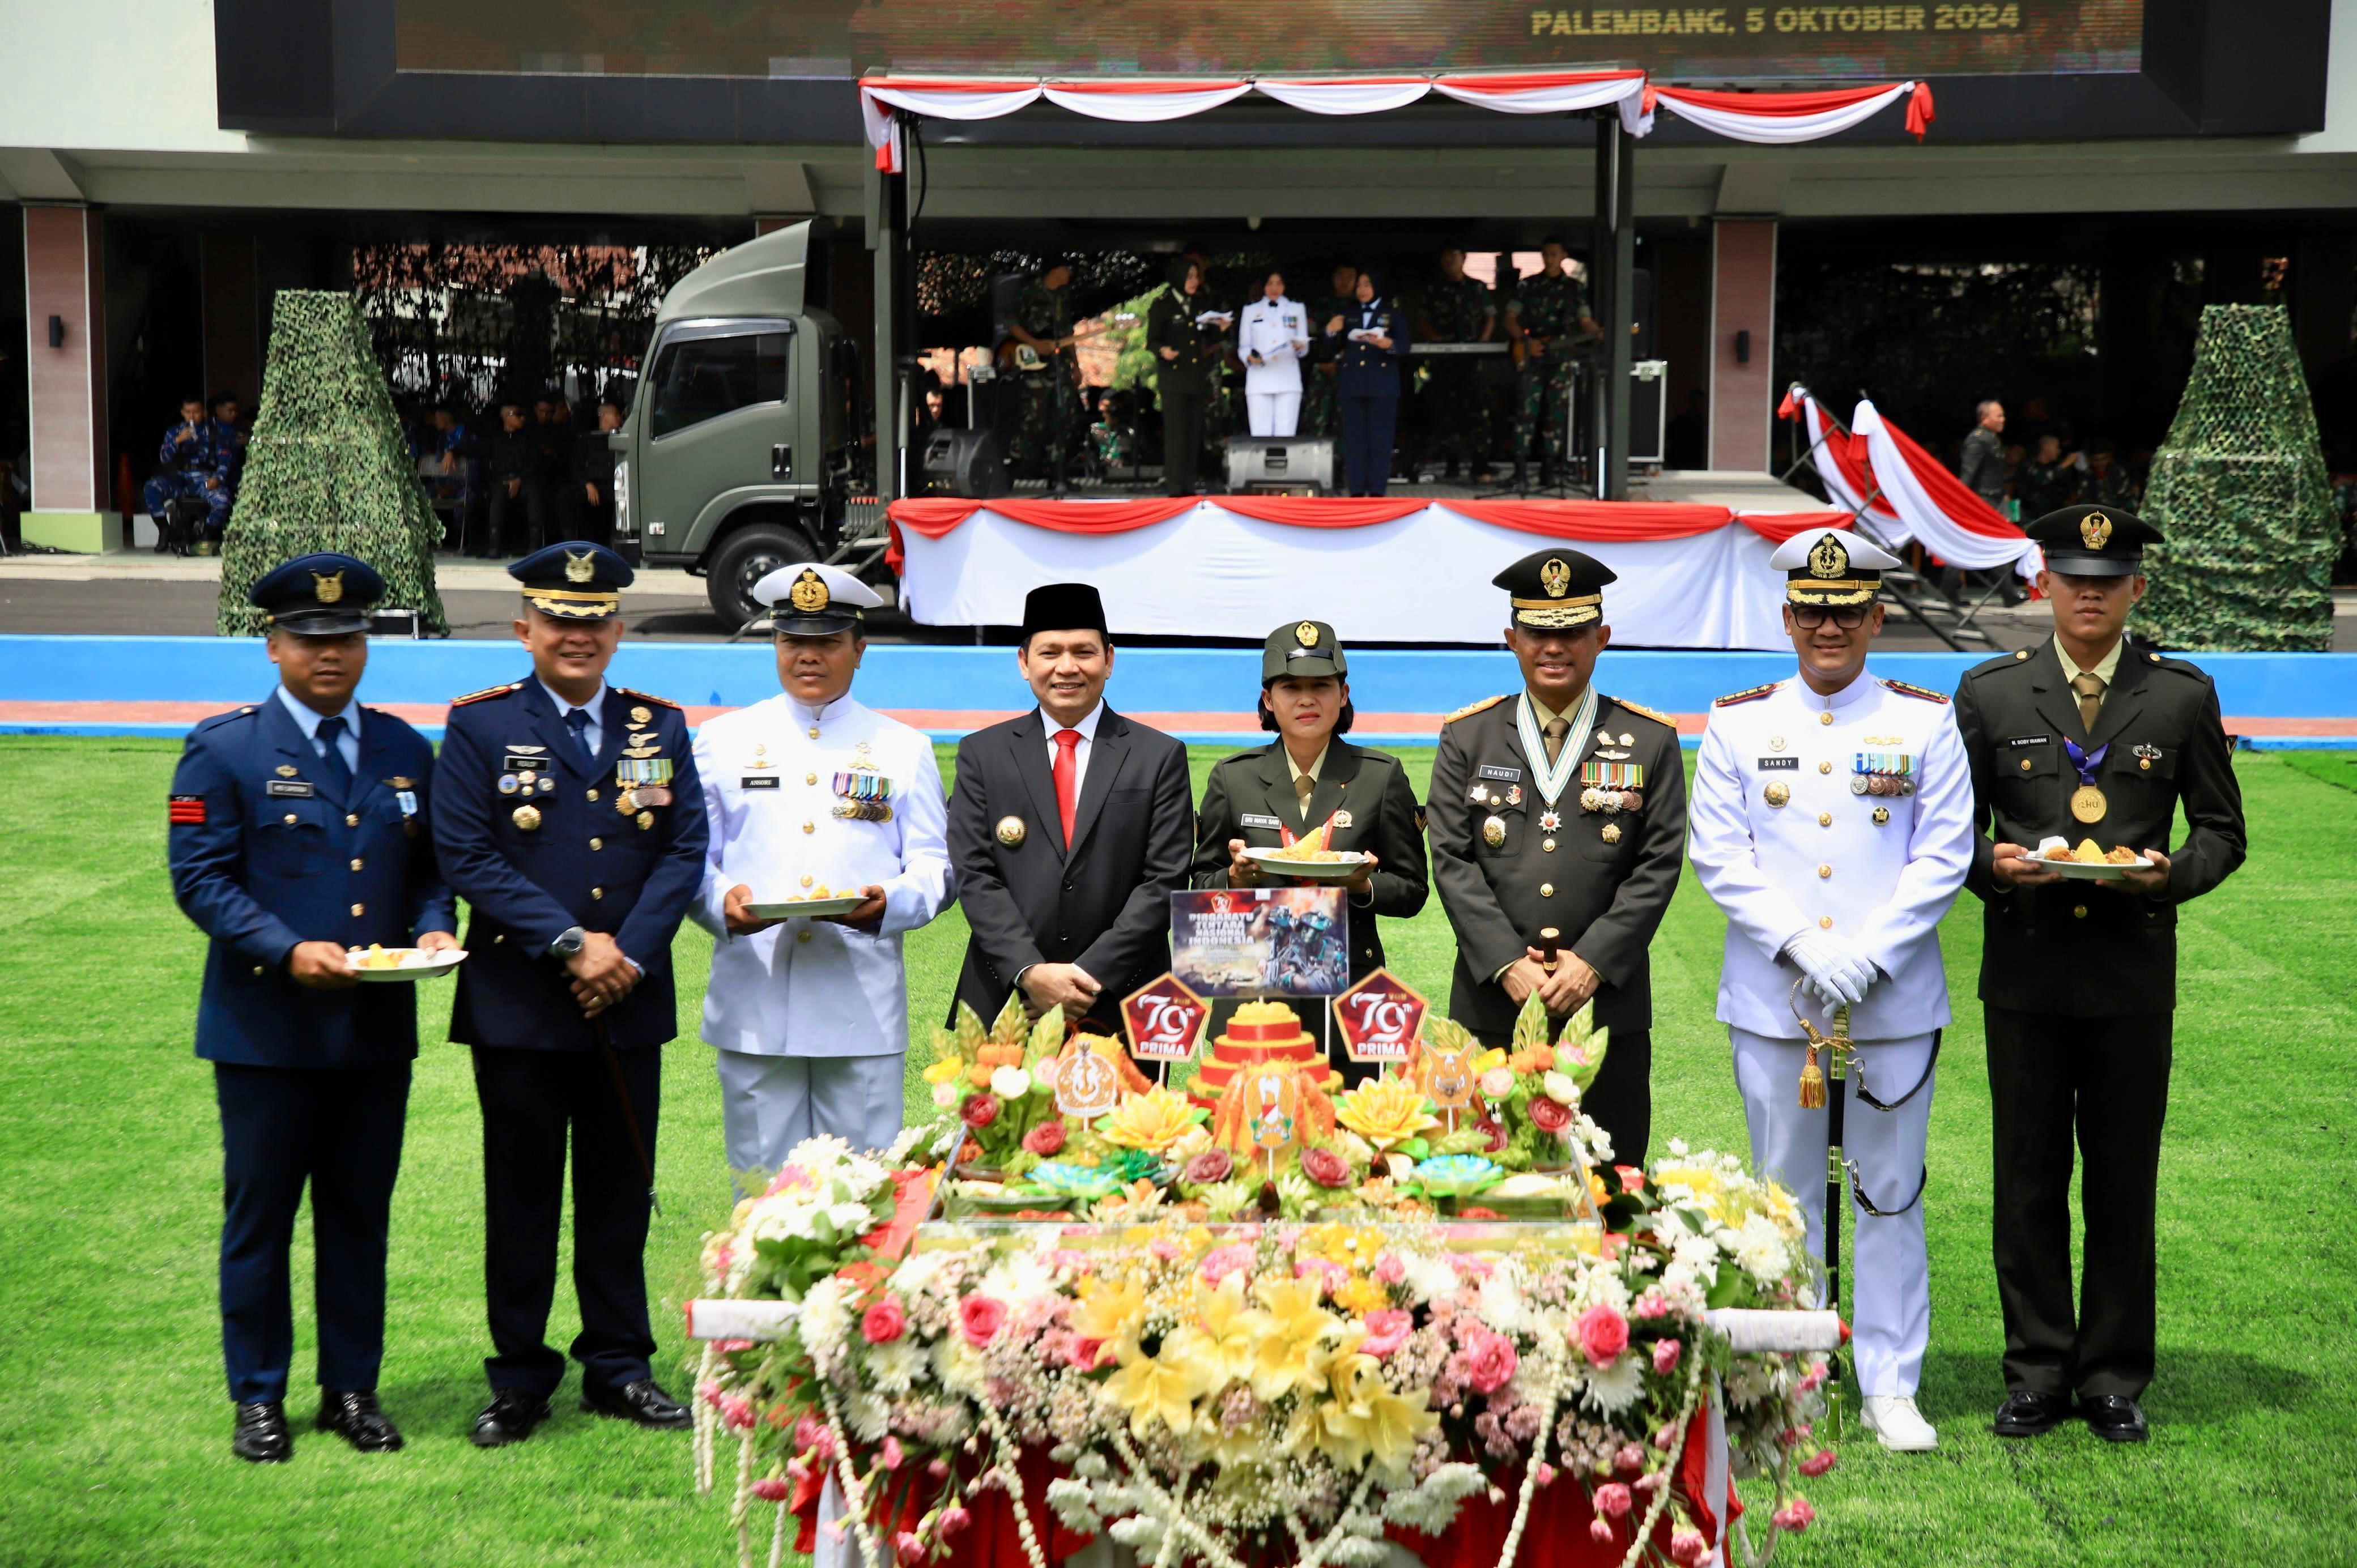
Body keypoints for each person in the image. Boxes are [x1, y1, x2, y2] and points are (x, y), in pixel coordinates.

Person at [1953, 504, 2247, 1446]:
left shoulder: (2179, 695)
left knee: (2123, 1180)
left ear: (2136, 590)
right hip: (2028, 972)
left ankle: (2114, 1374)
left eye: (2107, 580)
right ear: (2045, 584)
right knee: (2028, 1177)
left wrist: (2174, 875)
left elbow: (2221, 830)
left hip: (2130, 975)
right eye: (2073, 577)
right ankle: (2037, 1369)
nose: (2088, 593)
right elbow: (1949, 834)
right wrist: (1990, 866)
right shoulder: (1993, 692)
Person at [166, 553, 458, 1463]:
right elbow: (200, 880)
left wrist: (436, 931)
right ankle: (258, 1397)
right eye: (309, 639)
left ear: (366, 645)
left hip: (374, 1032)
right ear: (273, 645)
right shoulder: (225, 749)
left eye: (346, 638)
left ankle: (351, 1390)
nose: (329, 655)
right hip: (265, 1031)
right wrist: (286, 949)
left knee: (358, 1218)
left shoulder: (406, 750)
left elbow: (428, 873)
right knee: (259, 1221)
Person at [1686, 529, 1973, 1454]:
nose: (1828, 626)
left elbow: (1944, 853)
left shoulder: (1924, 720)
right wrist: (1803, 943)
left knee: (1890, 1193)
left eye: (1847, 611)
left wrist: (1871, 953)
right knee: (1783, 1196)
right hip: (1778, 998)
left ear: (1877, 616)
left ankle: (1892, 1382)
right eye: (1812, 610)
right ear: (1787, 617)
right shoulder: (1739, 720)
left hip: (1890, 1003)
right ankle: (1792, 1380)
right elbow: (1719, 853)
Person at [432, 542, 708, 1448]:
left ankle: (619, 1368)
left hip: (628, 995)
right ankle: (518, 1379)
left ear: (618, 631)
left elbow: (682, 851)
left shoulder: (659, 728)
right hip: (521, 1001)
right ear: (525, 631)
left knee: (619, 1193)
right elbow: (466, 855)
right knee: (520, 1197)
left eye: (593, 622)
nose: (577, 636)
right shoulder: (477, 728)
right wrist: (570, 945)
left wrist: (624, 952)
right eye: (559, 621)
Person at [688, 561, 954, 1166]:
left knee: (865, 1194)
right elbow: (691, 861)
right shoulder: (723, 741)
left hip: (857, 1003)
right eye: (793, 641)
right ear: (774, 643)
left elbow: (934, 866)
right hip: (754, 1002)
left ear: (859, 649)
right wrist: (719, 903)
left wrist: (892, 902)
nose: (808, 656)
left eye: (827, 642)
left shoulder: (901, 746)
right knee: (759, 1201)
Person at [1426, 548, 1684, 1164]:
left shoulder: (1649, 739)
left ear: (1601, 637)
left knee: (1610, 1184)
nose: (1553, 646)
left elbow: (1658, 863)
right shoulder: (1467, 736)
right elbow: (1452, 859)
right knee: (1485, 1183)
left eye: (1570, 630)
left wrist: (1591, 962)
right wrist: (1504, 963)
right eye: (1538, 631)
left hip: (1604, 1008)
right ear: (1511, 639)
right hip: (1492, 1003)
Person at [946, 582, 1193, 1034]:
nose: (1067, 668)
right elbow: (975, 874)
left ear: (1110, 660)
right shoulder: (983, 755)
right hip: (1010, 996)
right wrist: (1031, 972)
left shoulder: (1158, 756)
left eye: (1083, 652)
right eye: (1049, 653)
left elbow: (1165, 880)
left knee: (1134, 1111)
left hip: (1125, 998)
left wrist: (1085, 979)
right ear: (1024, 663)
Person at [1189, 620, 1429, 1084]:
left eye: (1321, 686)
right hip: (1249, 989)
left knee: (1353, 1140)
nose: (1306, 699)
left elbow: (1412, 890)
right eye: (1291, 687)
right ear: (1267, 700)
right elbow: (1201, 884)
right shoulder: (1232, 778)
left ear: (1343, 695)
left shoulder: (1379, 777)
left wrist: (1361, 886)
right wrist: (1235, 881)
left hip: (1349, 996)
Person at [1504, 239, 1600, 489]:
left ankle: (1550, 470)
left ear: (1564, 256)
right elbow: (1511, 318)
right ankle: (1520, 471)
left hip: (1560, 357)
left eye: (1554, 254)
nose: (1549, 259)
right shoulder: (1528, 286)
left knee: (1556, 414)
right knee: (1525, 411)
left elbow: (1585, 320)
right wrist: (1525, 342)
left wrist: (1598, 332)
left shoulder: (1574, 288)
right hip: (1532, 353)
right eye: (1546, 254)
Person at [1325, 269, 1411, 497]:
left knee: (1380, 441)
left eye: (1367, 285)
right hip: (1353, 384)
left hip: (1382, 385)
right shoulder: (1348, 313)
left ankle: (1376, 491)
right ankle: (1355, 490)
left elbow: (1404, 346)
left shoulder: (1392, 313)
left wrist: (1388, 344)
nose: (1362, 290)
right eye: (1360, 285)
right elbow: (1331, 348)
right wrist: (1331, 333)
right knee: (1354, 441)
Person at [1148, 257, 1228, 495]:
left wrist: (1221, 329)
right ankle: (1175, 486)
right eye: (1190, 277)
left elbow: (1208, 337)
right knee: (1176, 434)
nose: (1194, 282)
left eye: (1196, 277)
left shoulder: (1200, 304)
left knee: (1194, 434)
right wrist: (1163, 351)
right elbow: (1152, 340)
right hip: (1173, 378)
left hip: (1196, 377)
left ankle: (1189, 485)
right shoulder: (1163, 304)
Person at [1417, 248, 1497, 480]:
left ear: (1464, 259)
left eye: (1454, 257)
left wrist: (1481, 343)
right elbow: (1422, 320)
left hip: (1472, 361)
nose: (1450, 261)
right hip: (1443, 360)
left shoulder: (1477, 288)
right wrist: (1435, 339)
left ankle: (1480, 464)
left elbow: (1490, 317)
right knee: (1447, 412)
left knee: (1478, 411)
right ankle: (1452, 463)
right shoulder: (1434, 289)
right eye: (1446, 257)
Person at [1006, 261, 1085, 492]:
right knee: (1033, 418)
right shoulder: (1030, 292)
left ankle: (1058, 473)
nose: (1070, 274)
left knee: (1064, 414)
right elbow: (1012, 325)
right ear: (1055, 269)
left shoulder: (1063, 296)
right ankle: (1013, 466)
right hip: (1034, 363)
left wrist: (1076, 365)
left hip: (1060, 365)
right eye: (1067, 268)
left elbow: (1067, 332)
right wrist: (1035, 344)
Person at [146, 394, 236, 555]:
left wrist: (218, 478)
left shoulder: (215, 432)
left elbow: (226, 460)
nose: (192, 416)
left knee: (222, 501)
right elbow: (164, 458)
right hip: (181, 478)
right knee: (152, 487)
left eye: (196, 412)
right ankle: (165, 530)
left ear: (204, 413)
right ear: (183, 413)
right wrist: (177, 441)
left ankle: (207, 535)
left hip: (205, 478)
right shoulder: (175, 431)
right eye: (188, 412)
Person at [1236, 270, 1311, 440]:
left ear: (1285, 286)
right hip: (1260, 377)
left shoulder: (1296, 309)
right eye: (1270, 283)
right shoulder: (1251, 310)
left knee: (1285, 437)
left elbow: (1304, 348)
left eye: (1279, 283)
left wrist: (1300, 346)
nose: (1274, 288)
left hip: (1288, 379)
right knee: (1260, 437)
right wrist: (1249, 357)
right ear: (1263, 286)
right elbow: (1244, 346)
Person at [1302, 263, 1359, 440]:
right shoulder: (1320, 306)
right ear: (1334, 278)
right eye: (1341, 277)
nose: (1345, 282)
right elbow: (1309, 337)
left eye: (1350, 278)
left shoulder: (1361, 308)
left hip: (1352, 374)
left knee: (1347, 426)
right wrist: (1324, 361)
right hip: (1322, 371)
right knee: (1315, 425)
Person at [483, 402, 544, 557]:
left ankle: (534, 546)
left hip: (524, 480)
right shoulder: (495, 439)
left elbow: (535, 463)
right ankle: (494, 546)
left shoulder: (529, 439)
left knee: (533, 493)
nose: (522, 418)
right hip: (502, 480)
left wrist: (519, 479)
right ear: (506, 417)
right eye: (518, 414)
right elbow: (487, 461)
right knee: (497, 495)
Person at [576, 394, 624, 546]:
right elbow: (576, 466)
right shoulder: (588, 439)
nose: (619, 418)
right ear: (604, 416)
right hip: (593, 485)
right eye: (615, 414)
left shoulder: (622, 437)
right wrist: (588, 484)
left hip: (615, 484)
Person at [1958, 400, 2007, 514]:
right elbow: (1968, 474)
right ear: (1985, 418)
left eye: (2003, 416)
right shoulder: (1977, 440)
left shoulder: (1991, 438)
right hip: (1984, 501)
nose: (2003, 419)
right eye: (1999, 416)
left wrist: (2004, 493)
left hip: (1998, 500)